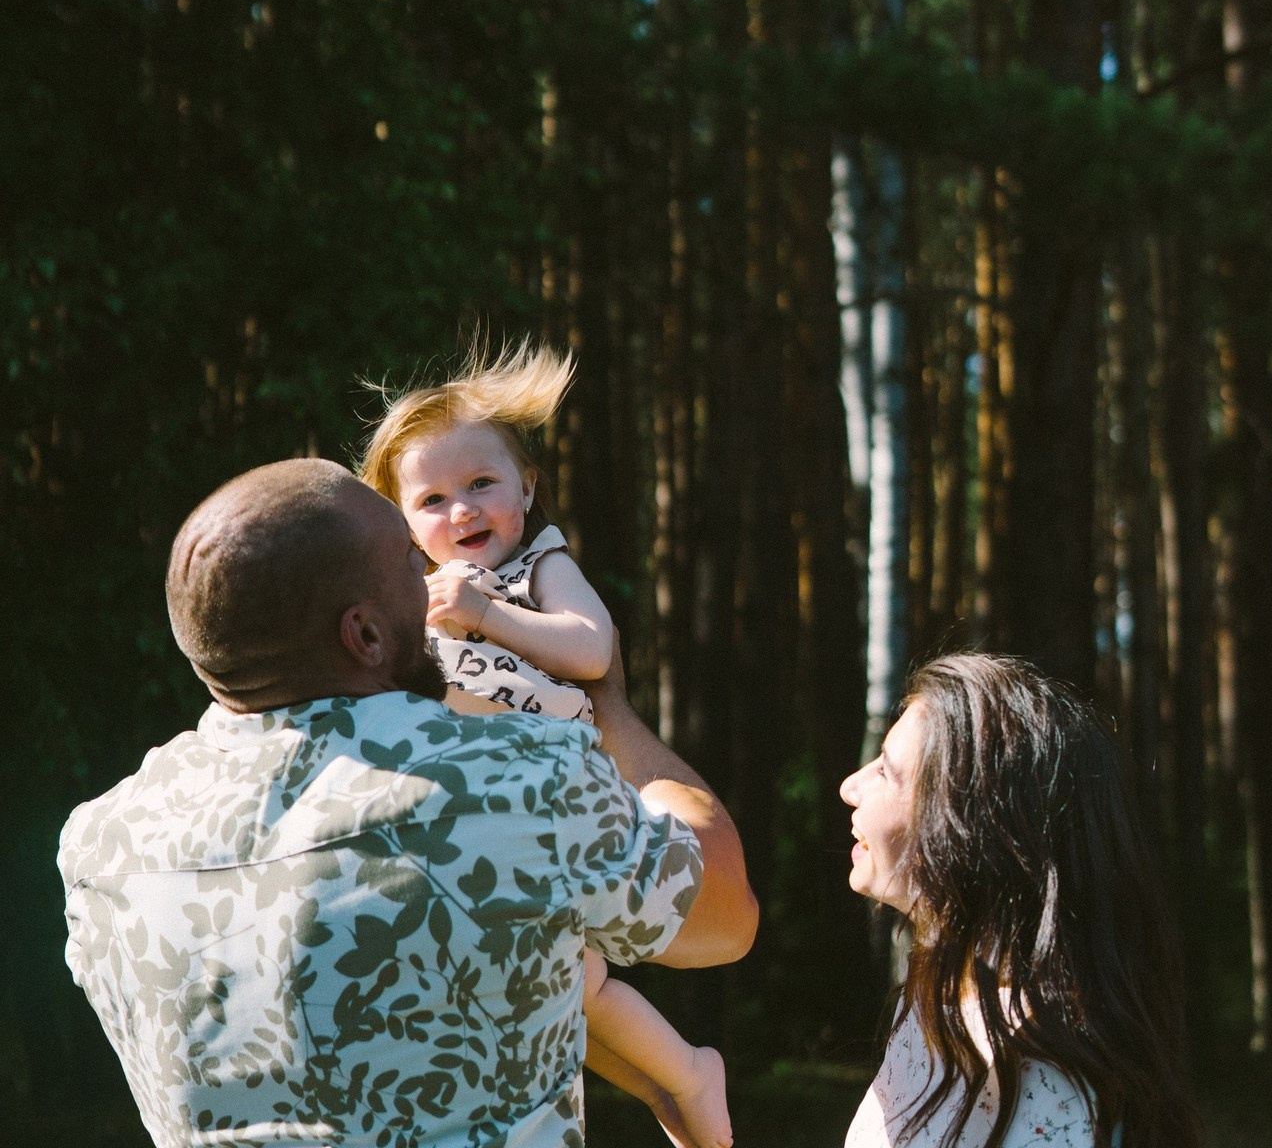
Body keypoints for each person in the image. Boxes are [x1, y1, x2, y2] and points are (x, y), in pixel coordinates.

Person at [57, 459, 757, 1148]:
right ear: (365, 634)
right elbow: (724, 915)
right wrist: (609, 711)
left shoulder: (102, 847)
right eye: (409, 563)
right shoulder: (519, 779)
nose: (432, 586)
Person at [358, 340, 734, 1148]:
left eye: (482, 485)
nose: (462, 512)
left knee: (575, 976)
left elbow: (592, 650)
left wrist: (488, 615)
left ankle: (690, 1072)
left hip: (562, 785)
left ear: (526, 487)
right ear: (399, 522)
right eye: (432, 499)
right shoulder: (418, 602)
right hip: (483, 812)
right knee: (560, 978)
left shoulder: (537, 567)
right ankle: (673, 1082)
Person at [839, 652, 1202, 1148]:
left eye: (887, 770)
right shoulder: (938, 1006)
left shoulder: (1053, 1088)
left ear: (972, 829)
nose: (850, 786)